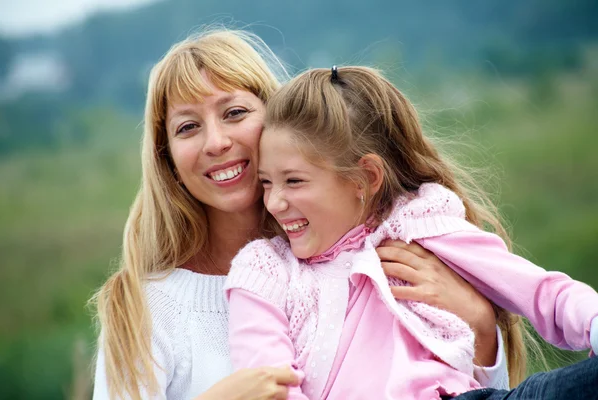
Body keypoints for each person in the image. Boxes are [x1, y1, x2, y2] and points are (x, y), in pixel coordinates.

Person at [91, 30, 510, 400]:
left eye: (234, 113)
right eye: (187, 127)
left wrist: (481, 327)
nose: (216, 142)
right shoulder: (146, 308)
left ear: (279, 120)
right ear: (169, 162)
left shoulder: (371, 257)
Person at [224, 66, 598, 399]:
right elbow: (269, 384)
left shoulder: (420, 225)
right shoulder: (265, 270)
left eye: (294, 181)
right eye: (266, 183)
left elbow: (543, 292)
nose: (274, 202)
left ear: (365, 178)